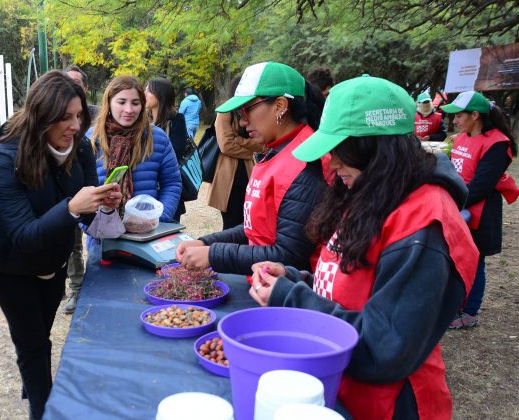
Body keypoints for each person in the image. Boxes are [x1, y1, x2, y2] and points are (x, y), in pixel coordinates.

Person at [249, 75, 479, 419]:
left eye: (343, 149)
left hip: (388, 405)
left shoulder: (423, 224)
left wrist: (291, 298)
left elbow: (384, 347)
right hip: (341, 388)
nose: (334, 162)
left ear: (378, 147)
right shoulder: (371, 190)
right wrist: (297, 279)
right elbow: (355, 283)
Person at [0, 70, 122, 420]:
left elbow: (85, 217)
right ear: (42, 116)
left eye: (78, 116)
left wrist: (103, 204)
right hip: (10, 263)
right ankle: (42, 410)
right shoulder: (6, 155)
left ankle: (34, 379)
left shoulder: (82, 146)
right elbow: (24, 236)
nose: (75, 125)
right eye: (65, 117)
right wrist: (73, 207)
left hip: (53, 259)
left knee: (41, 333)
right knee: (32, 344)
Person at [176, 62, 327, 276]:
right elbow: (255, 229)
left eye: (247, 110)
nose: (242, 121)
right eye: (239, 112)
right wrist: (205, 242)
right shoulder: (277, 151)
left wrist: (213, 254)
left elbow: (289, 255)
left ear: (280, 106)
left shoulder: (305, 161)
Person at [440, 91, 519, 328]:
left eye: (458, 116)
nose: (453, 121)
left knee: (475, 261)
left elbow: (481, 186)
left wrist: (450, 204)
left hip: (479, 213)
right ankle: (454, 305)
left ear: (475, 115)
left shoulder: (497, 143)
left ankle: (469, 312)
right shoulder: (461, 138)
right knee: (455, 260)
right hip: (457, 207)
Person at [88, 75, 181, 229]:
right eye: (121, 102)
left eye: (135, 103)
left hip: (148, 233)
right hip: (102, 236)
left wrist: (159, 218)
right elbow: (80, 190)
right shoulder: (91, 139)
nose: (129, 110)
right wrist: (93, 226)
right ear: (109, 102)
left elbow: (172, 183)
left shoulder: (157, 138)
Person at [207, 76, 264, 230]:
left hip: (249, 174)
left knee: (247, 222)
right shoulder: (225, 111)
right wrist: (248, 150)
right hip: (227, 177)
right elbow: (226, 145)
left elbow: (262, 144)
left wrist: (239, 141)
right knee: (231, 224)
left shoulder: (250, 111)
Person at [60, 65, 96, 314]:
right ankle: (71, 286)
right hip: (65, 196)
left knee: (80, 244)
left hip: (86, 191)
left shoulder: (95, 116)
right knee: (70, 245)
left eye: (76, 83)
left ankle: (79, 287)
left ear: (85, 88)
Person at [145, 77, 190, 221]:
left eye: (148, 90)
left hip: (166, 188)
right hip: (148, 187)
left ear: (160, 94)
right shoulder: (144, 121)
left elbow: (175, 153)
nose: (144, 93)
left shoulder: (176, 120)